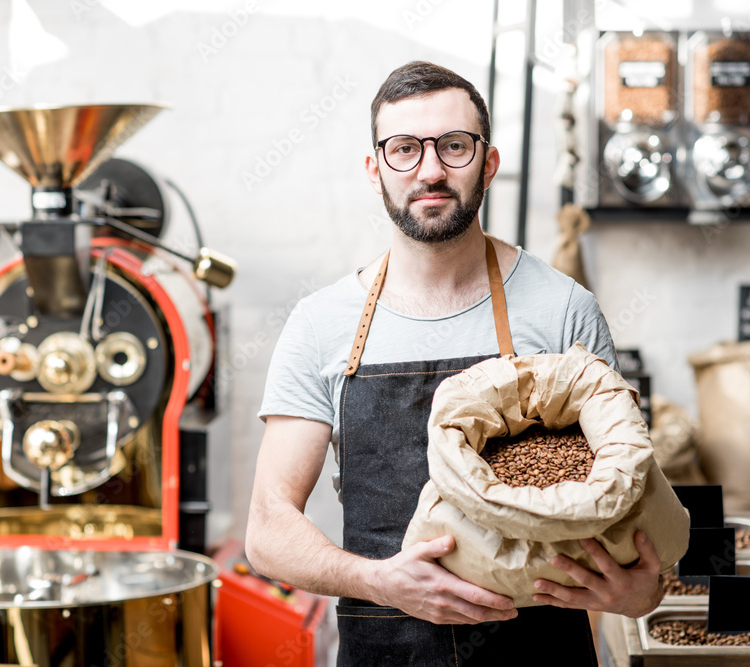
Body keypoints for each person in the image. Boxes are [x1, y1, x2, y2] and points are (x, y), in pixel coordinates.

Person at [246, 61, 664, 666]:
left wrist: (637, 590)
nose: (431, 170)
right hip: (386, 646)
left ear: (488, 163)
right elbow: (267, 530)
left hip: (538, 648)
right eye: (404, 149)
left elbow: (634, 507)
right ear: (374, 170)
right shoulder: (321, 325)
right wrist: (380, 581)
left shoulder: (563, 310)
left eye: (454, 146)